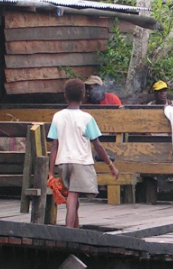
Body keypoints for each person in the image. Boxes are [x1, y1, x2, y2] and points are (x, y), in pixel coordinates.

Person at [48, 79, 120, 228]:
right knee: (73, 196)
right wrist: (110, 165)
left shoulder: (57, 117)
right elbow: (97, 145)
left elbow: (54, 146)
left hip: (63, 162)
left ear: (65, 96)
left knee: (73, 197)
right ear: (83, 97)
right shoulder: (87, 118)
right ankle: (69, 232)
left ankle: (76, 227)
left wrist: (50, 172)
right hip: (81, 162)